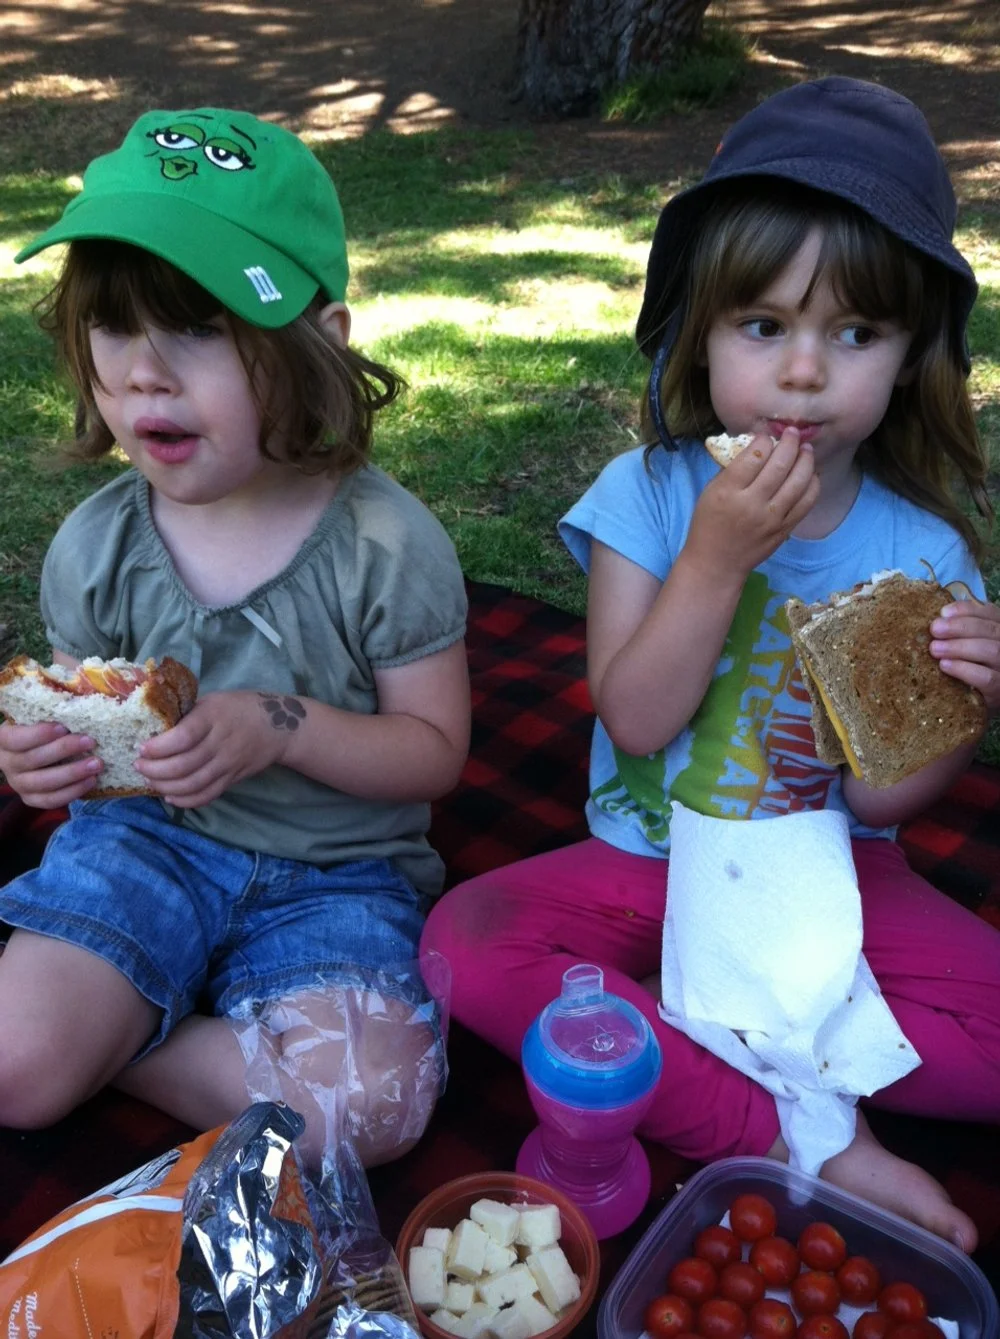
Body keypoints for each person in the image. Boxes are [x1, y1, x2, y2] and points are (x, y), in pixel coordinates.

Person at [422, 77, 1000, 1248]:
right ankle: (805, 1129)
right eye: (764, 325)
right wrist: (716, 557)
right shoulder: (650, 494)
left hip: (828, 876)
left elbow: (880, 801)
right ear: (698, 326)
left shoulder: (921, 548)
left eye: (853, 332)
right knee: (459, 948)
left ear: (908, 353)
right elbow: (636, 718)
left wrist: (964, 712)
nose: (803, 371)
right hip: (649, 854)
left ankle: (707, 1050)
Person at [0, 107, 471, 1167]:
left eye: (203, 326)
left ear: (318, 344)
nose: (145, 373)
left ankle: (128, 1036)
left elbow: (433, 751)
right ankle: (114, 1032)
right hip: (146, 846)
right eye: (112, 327)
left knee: (374, 1109)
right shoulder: (96, 545)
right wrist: (46, 757)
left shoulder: (386, 542)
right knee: (15, 1072)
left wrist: (280, 724)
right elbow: (93, 755)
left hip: (336, 873)